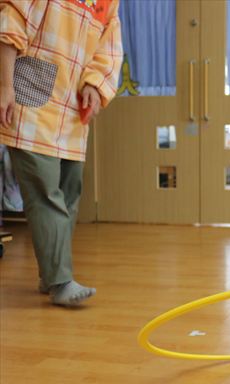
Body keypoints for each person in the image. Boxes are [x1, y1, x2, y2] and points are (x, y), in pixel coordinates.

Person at [0, 0, 123, 305]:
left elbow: (108, 49)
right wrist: (4, 87)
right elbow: (10, 24)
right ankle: (60, 281)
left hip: (72, 109)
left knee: (69, 191)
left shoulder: (109, 2)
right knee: (45, 193)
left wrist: (95, 84)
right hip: (28, 98)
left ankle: (51, 274)